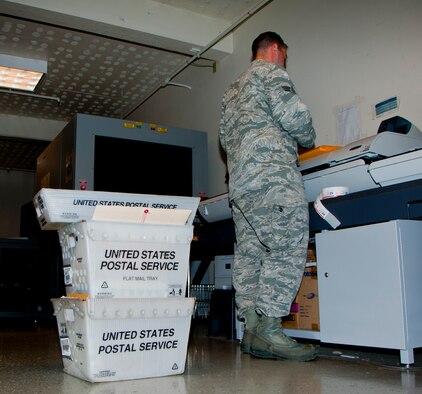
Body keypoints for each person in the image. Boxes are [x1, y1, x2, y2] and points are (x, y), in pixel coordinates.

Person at [219, 31, 317, 361]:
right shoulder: (271, 72)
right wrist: (310, 134)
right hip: (271, 177)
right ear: (275, 49)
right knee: (288, 242)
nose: (284, 61)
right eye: (284, 55)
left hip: (241, 185)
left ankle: (251, 329)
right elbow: (296, 119)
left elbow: (224, 139)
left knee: (251, 253)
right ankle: (271, 331)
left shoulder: (231, 91)